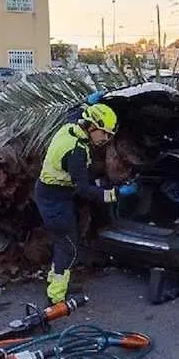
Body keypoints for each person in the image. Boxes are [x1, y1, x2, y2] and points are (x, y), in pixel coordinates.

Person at [35, 103, 138, 305]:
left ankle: (55, 281)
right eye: (105, 134)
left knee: (62, 241)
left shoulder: (71, 127)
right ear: (91, 126)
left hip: (49, 193)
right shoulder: (76, 152)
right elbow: (84, 190)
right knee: (68, 245)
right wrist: (116, 194)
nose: (106, 139)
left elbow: (72, 111)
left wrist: (91, 101)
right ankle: (56, 296)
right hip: (54, 200)